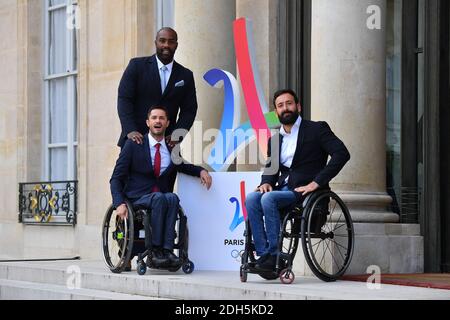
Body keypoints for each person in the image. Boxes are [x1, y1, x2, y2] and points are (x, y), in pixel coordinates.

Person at [245, 89, 350, 272]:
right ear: (276, 112)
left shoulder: (317, 129)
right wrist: (266, 182)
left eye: (289, 103)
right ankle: (265, 255)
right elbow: (271, 168)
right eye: (280, 105)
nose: (285, 108)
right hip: (283, 190)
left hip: (306, 192)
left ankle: (275, 253)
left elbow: (342, 154)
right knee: (252, 199)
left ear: (298, 106)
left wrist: (317, 182)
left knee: (268, 199)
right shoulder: (275, 139)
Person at [110, 105, 212, 269]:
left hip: (161, 199)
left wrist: (201, 171)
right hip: (137, 198)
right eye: (154, 118)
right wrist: (118, 202)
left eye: (162, 118)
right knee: (160, 198)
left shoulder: (172, 148)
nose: (158, 121)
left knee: (172, 197)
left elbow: (182, 166)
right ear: (148, 122)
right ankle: (155, 251)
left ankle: (167, 250)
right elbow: (116, 178)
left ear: (167, 123)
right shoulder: (133, 145)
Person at [117, 27, 198, 149]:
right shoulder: (136, 66)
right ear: (156, 43)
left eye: (171, 41)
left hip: (168, 143)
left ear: (176, 45)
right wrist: (130, 130)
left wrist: (177, 134)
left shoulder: (185, 75)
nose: (166, 45)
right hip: (136, 140)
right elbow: (124, 99)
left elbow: (189, 109)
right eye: (162, 40)